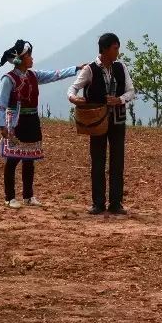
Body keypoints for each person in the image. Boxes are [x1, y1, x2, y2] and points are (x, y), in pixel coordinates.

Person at [0, 40, 82, 209]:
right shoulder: (9, 79)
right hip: (16, 122)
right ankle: (9, 197)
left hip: (32, 120)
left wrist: (76, 69)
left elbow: (55, 74)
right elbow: (1, 103)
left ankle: (28, 196)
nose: (32, 58)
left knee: (29, 159)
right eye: (29, 56)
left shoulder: (33, 75)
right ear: (20, 59)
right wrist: (2, 126)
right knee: (13, 159)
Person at [68, 32, 136, 215]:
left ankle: (116, 203)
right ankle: (98, 203)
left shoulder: (121, 67)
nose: (118, 52)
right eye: (115, 48)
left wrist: (119, 100)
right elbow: (73, 87)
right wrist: (73, 98)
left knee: (117, 162)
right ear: (105, 49)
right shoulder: (90, 69)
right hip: (97, 121)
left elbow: (131, 91)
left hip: (117, 120)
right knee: (98, 162)